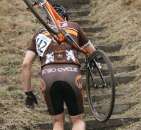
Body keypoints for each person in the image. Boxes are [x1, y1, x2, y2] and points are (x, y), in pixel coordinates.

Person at [21, 2, 96, 130]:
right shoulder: (73, 26)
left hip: (48, 76)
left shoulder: (39, 33)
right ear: (65, 17)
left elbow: (26, 64)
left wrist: (28, 92)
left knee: (57, 122)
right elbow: (92, 52)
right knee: (77, 120)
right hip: (71, 73)